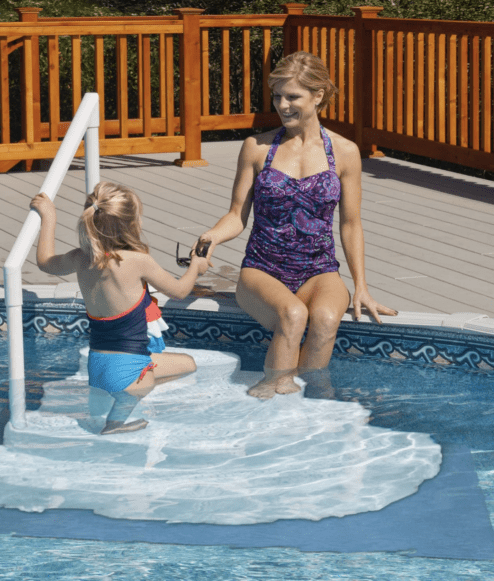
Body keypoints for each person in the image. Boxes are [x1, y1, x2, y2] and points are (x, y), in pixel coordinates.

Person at [196, 51, 397, 399]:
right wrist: (211, 237)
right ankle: (271, 393)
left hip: (319, 271)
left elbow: (350, 224)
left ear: (318, 96)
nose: (282, 105)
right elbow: (236, 215)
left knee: (325, 320)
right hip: (263, 269)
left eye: (292, 96)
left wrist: (361, 286)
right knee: (291, 314)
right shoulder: (257, 148)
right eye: (277, 96)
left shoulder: (345, 152)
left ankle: (311, 401)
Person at [30, 181, 208, 434]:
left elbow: (45, 263)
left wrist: (49, 217)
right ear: (131, 224)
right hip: (130, 375)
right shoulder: (138, 261)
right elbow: (179, 291)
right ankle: (117, 419)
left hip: (98, 367)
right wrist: (195, 267)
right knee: (188, 365)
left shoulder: (81, 257)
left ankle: (127, 392)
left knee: (177, 364)